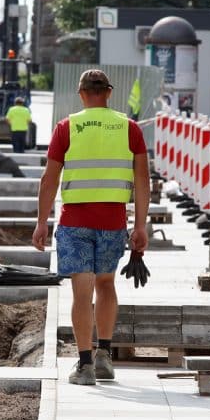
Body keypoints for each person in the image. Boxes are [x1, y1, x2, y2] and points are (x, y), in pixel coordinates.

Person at [32, 69, 150, 385]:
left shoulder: (67, 127)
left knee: (81, 292)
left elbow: (49, 179)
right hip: (112, 223)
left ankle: (84, 365)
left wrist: (42, 221)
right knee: (106, 285)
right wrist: (140, 226)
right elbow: (142, 181)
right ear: (108, 93)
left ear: (81, 93)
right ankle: (104, 357)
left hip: (74, 223)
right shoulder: (130, 128)